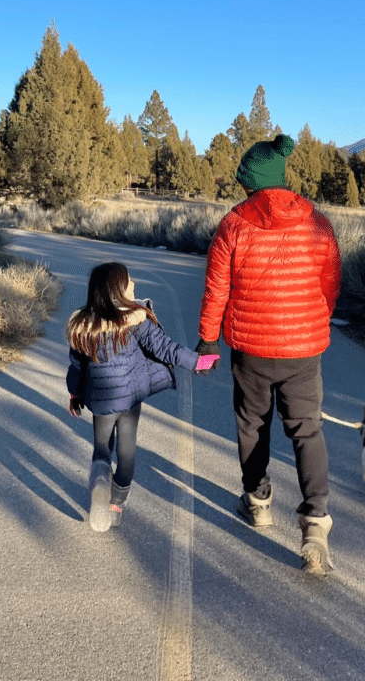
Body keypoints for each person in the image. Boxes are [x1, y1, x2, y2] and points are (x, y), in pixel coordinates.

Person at [196, 134, 341, 575]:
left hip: (251, 350)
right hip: (303, 349)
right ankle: (315, 522)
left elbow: (217, 287)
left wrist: (207, 340)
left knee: (252, 425)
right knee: (306, 430)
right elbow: (329, 283)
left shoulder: (234, 224)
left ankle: (258, 501)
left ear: (252, 182)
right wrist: (314, 320)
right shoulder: (316, 222)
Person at [67, 261, 219, 532]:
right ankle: (115, 507)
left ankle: (100, 483)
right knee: (126, 452)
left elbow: (77, 367)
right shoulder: (135, 320)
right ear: (119, 290)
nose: (133, 283)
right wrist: (198, 362)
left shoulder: (83, 327)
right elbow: (166, 348)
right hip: (129, 400)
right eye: (129, 281)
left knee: (101, 449)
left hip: (101, 402)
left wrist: (75, 393)